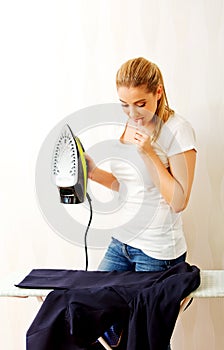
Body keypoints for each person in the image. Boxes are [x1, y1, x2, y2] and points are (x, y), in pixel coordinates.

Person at [85, 57, 197, 349]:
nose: (132, 113)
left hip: (157, 252)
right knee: (89, 308)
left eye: (140, 104)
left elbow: (179, 200)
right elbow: (129, 188)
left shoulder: (179, 130)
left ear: (158, 92)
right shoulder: (127, 126)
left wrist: (149, 152)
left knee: (145, 340)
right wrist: (93, 172)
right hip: (122, 242)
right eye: (124, 104)